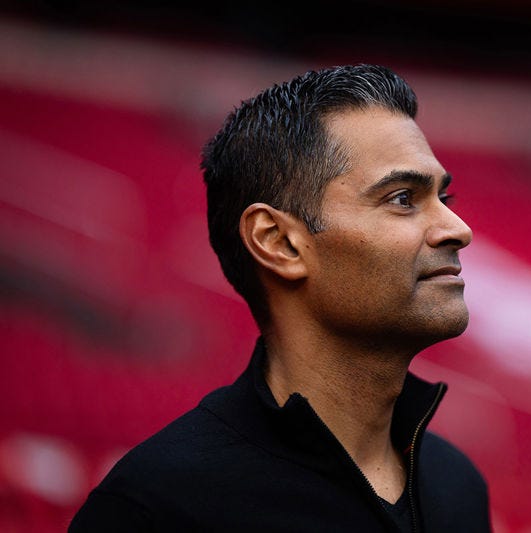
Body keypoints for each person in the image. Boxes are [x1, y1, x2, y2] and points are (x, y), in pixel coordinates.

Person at [69, 64, 490, 532]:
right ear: (280, 243)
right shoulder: (158, 506)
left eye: (444, 199)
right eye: (403, 198)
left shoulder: (457, 486)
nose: (459, 229)